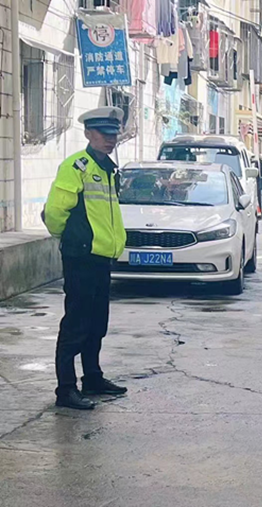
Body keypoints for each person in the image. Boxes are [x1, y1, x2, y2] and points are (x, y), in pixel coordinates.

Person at [43, 107, 128, 410]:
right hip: (81, 257)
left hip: (101, 258)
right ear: (89, 134)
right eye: (104, 134)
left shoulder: (108, 169)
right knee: (76, 325)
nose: (110, 139)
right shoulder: (76, 166)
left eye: (113, 134)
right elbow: (55, 211)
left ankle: (92, 377)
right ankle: (66, 389)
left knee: (96, 324)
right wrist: (70, 238)